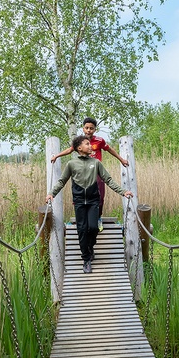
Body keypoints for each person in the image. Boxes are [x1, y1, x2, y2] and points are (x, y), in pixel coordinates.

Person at [47, 134, 133, 274]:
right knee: (82, 230)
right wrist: (52, 193)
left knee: (93, 227)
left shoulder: (96, 163)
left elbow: (108, 180)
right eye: (87, 144)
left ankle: (91, 247)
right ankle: (86, 259)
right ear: (79, 148)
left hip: (93, 200)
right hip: (79, 201)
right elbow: (62, 181)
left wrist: (123, 192)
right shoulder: (71, 164)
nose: (90, 146)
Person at [50, 117, 128, 227]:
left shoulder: (100, 141)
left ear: (95, 129)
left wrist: (121, 159)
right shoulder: (80, 142)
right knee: (80, 195)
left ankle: (98, 217)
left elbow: (110, 150)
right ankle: (81, 219)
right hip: (84, 172)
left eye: (91, 128)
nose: (88, 130)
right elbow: (70, 150)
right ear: (83, 128)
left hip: (96, 172)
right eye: (86, 128)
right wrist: (57, 156)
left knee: (100, 197)